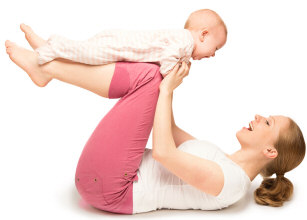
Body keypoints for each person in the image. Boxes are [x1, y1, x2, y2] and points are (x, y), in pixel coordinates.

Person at [5, 25, 305, 214]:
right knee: (153, 73)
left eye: (268, 123)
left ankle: (49, 66)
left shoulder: (233, 183)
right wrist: (170, 84)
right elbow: (169, 130)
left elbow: (163, 151)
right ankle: (51, 61)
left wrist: (165, 87)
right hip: (111, 176)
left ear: (270, 152)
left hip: (111, 188)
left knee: (151, 76)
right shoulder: (219, 156)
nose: (258, 116)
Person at [32, 8, 227, 78]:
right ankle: (53, 47)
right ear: (203, 34)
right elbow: (167, 58)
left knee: (85, 53)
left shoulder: (183, 42)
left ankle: (54, 52)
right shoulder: (185, 40)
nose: (213, 54)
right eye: (216, 47)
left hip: (119, 42)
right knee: (87, 56)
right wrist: (171, 74)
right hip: (120, 46)